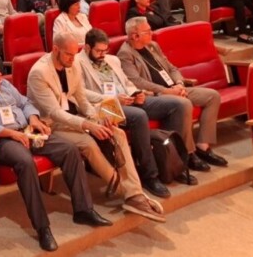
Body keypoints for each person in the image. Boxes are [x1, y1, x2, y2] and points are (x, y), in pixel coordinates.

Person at [0, 53, 113, 251]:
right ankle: (42, 227)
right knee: (26, 162)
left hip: (28, 131)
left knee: (69, 149)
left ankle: (83, 209)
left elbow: (24, 103)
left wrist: (33, 119)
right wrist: (11, 134)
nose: (0, 74)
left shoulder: (4, 85)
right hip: (3, 141)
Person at [26, 33, 164, 222]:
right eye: (68, 55)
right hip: (52, 125)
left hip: (76, 116)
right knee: (88, 142)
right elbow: (54, 113)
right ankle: (126, 191)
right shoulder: (39, 73)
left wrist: (96, 119)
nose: (73, 59)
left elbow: (81, 98)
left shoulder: (72, 64)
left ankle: (134, 194)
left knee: (118, 133)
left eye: (75, 55)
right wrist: (88, 125)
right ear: (55, 49)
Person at [76, 28, 192, 195]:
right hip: (105, 106)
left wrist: (136, 94)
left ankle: (171, 163)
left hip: (127, 100)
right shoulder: (77, 63)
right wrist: (116, 98)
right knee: (139, 116)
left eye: (105, 50)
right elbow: (80, 92)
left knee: (178, 105)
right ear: (87, 47)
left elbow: (127, 82)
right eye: (98, 51)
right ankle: (149, 175)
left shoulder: (112, 60)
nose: (103, 54)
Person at [118, 17, 228, 172]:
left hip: (174, 88)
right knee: (185, 104)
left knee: (212, 96)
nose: (152, 33)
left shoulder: (153, 46)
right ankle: (189, 154)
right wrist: (168, 91)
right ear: (135, 36)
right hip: (156, 95)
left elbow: (172, 68)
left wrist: (179, 84)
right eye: (147, 31)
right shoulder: (125, 54)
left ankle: (203, 146)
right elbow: (138, 82)